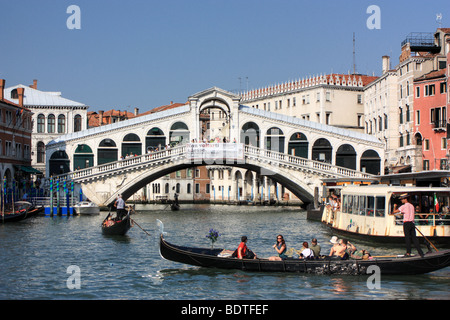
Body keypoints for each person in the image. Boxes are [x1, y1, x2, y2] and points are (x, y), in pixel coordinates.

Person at [391, 193, 424, 258]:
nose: (401, 201)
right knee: (414, 238)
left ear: (405, 199)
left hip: (406, 223)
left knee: (407, 238)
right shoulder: (412, 206)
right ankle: (421, 253)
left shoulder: (403, 206)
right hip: (412, 223)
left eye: (402, 199)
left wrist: (394, 206)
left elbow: (394, 212)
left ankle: (408, 253)